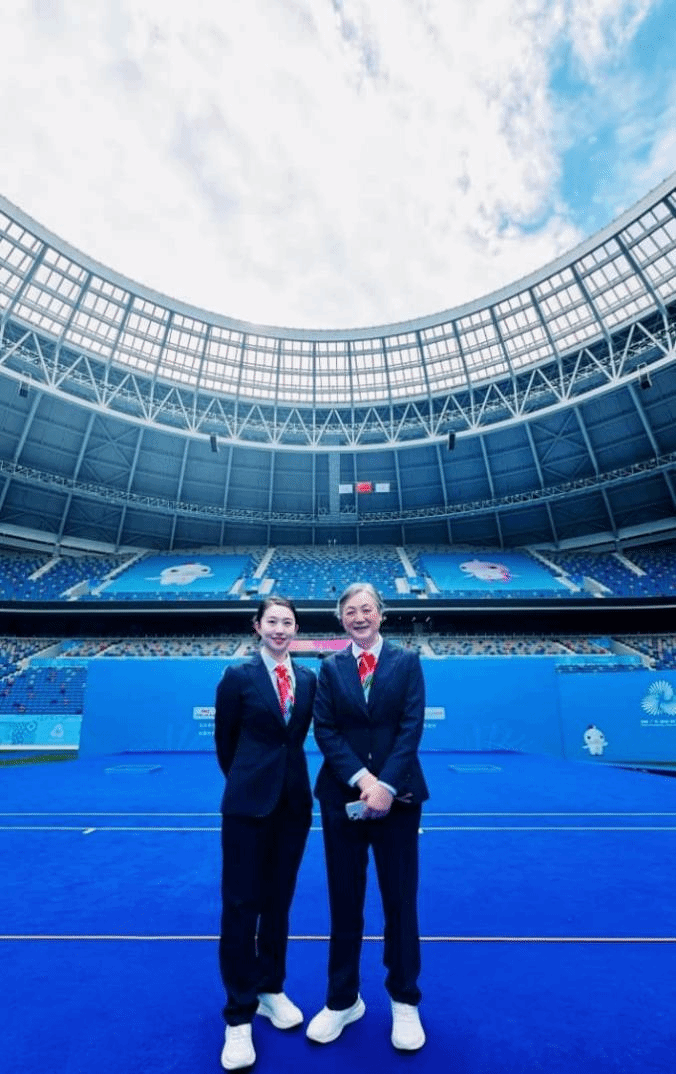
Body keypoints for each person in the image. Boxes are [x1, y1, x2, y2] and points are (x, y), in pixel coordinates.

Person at [307, 582, 429, 1052]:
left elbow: (410, 728)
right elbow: (325, 730)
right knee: (345, 902)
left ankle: (404, 999)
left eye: (367, 609)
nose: (359, 617)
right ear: (341, 619)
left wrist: (386, 786)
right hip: (343, 800)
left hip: (399, 800)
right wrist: (363, 781)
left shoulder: (407, 661)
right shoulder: (329, 667)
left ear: (381, 613)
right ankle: (343, 1000)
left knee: (400, 901)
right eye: (350, 612)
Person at [214, 596, 316, 1070]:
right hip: (247, 806)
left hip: (293, 806)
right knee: (240, 907)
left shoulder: (308, 679)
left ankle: (271, 989)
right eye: (272, 621)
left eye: (287, 622)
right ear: (257, 626)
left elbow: (296, 739)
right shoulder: (237, 676)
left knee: (278, 903)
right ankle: (238, 1014)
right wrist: (248, 782)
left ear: (296, 629)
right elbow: (225, 742)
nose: (280, 629)